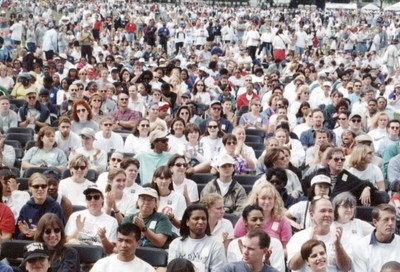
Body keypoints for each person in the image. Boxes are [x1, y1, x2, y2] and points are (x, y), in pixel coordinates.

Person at [286, 196, 351, 272]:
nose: (327, 214)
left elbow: (346, 268)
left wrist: (338, 246)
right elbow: (293, 266)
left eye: (330, 211)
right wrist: (309, 245)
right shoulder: (299, 237)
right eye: (323, 211)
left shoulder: (340, 236)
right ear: (312, 215)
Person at [168, 204, 226, 271]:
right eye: (196, 219)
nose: (201, 222)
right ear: (187, 222)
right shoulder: (176, 244)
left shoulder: (216, 243)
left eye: (204, 219)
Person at [234, 183, 292, 250]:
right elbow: (236, 243)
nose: (267, 202)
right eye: (263, 198)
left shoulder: (281, 220)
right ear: (256, 199)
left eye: (270, 198)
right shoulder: (246, 217)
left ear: (275, 200)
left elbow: (287, 249)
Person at [65, 184, 118, 254]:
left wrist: (103, 238)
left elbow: (112, 250)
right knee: (72, 242)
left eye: (96, 197)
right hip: (77, 255)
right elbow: (66, 241)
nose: (92, 200)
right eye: (89, 197)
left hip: (99, 256)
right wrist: (77, 230)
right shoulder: (75, 216)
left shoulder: (112, 221)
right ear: (86, 200)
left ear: (102, 199)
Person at [352, 204, 400, 271]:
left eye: (393, 219)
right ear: (375, 222)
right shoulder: (361, 246)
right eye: (386, 219)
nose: (390, 223)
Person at [17, 173, 64, 240]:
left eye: (43, 186)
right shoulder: (26, 208)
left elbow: (59, 232)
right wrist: (25, 232)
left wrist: (39, 232)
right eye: (36, 186)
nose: (40, 189)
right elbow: (18, 232)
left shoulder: (55, 207)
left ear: (47, 187)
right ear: (30, 188)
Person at [90, 223, 155, 272]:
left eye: (128, 241)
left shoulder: (147, 269)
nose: (123, 245)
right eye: (120, 240)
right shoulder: (102, 265)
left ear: (138, 244)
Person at [332, 192, 374, 257]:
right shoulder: (330, 225)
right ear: (336, 208)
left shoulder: (359, 223)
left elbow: (377, 235)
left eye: (351, 207)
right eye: (345, 206)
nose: (349, 210)